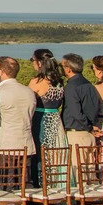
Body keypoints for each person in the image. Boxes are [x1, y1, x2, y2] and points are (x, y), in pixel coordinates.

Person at [28, 50, 67, 187]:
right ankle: (56, 184)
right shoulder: (59, 82)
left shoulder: (36, 82)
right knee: (55, 155)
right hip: (56, 122)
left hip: (41, 121)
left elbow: (28, 103)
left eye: (32, 60)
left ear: (39, 62)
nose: (32, 63)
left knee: (40, 156)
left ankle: (42, 186)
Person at [61, 53, 103, 176]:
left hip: (77, 133)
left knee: (78, 173)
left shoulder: (71, 86)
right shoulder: (89, 85)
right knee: (90, 173)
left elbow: (76, 113)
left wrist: (88, 127)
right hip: (89, 134)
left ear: (68, 68)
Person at [0, 57, 36, 158]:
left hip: (5, 146)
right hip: (26, 145)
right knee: (24, 174)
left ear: (1, 71)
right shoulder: (29, 92)